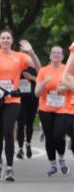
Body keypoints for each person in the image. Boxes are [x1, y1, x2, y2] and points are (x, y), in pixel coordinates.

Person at [0, 32, 40, 181]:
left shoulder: (20, 56)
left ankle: (10, 168)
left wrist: (31, 52)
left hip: (12, 98)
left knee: (8, 131)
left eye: (8, 38)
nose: (5, 40)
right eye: (3, 38)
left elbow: (39, 67)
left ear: (12, 41)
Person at [35, 45, 70, 176]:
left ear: (62, 56)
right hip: (45, 109)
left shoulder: (67, 70)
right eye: (53, 52)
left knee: (58, 135)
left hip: (63, 108)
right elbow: (37, 93)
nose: (56, 55)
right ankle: (52, 164)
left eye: (58, 53)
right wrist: (44, 82)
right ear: (50, 55)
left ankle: (61, 158)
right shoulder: (43, 71)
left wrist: (64, 88)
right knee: (49, 137)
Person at [16, 61, 39, 160]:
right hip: (20, 99)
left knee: (30, 123)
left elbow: (42, 80)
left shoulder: (35, 67)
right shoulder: (17, 66)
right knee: (20, 124)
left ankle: (28, 143)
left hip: (33, 99)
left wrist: (31, 77)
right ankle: (20, 148)